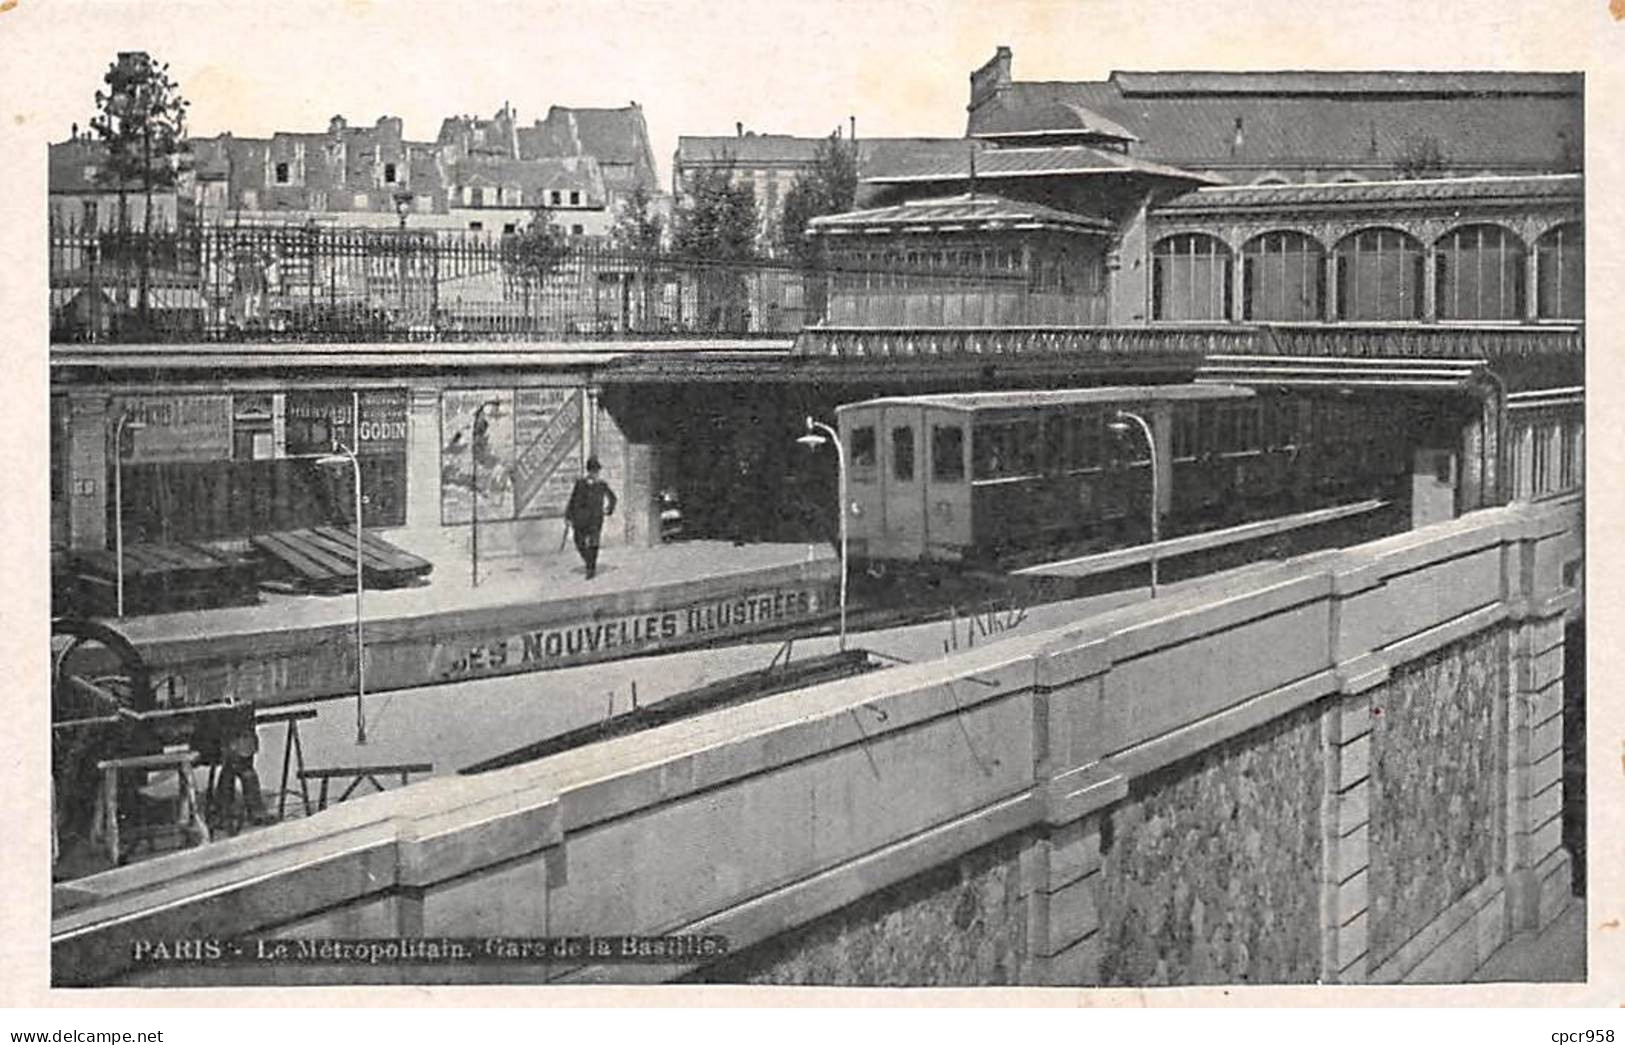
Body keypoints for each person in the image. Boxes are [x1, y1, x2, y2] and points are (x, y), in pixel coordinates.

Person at [566, 456, 617, 579]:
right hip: (580, 519)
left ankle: (591, 568)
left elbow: (613, 498)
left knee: (594, 543)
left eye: (596, 471)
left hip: (595, 519)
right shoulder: (580, 484)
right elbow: (572, 501)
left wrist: (609, 509)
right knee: (579, 542)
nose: (594, 473)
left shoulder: (601, 485)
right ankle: (588, 561)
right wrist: (568, 516)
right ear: (588, 471)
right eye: (592, 471)